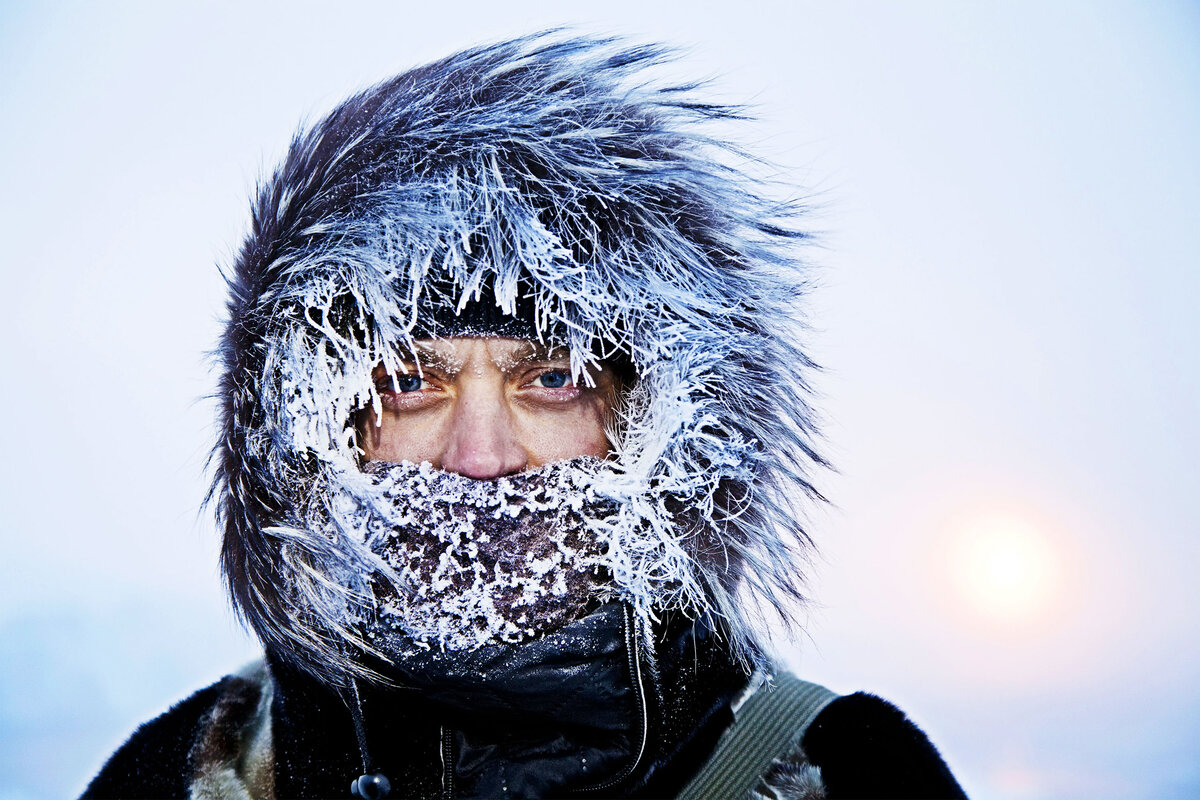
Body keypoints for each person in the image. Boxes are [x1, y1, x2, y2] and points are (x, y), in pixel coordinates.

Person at [82, 32, 967, 800]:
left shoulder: (852, 773)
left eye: (551, 382)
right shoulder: (187, 771)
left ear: (655, 421)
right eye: (407, 383)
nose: (480, 455)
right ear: (317, 429)